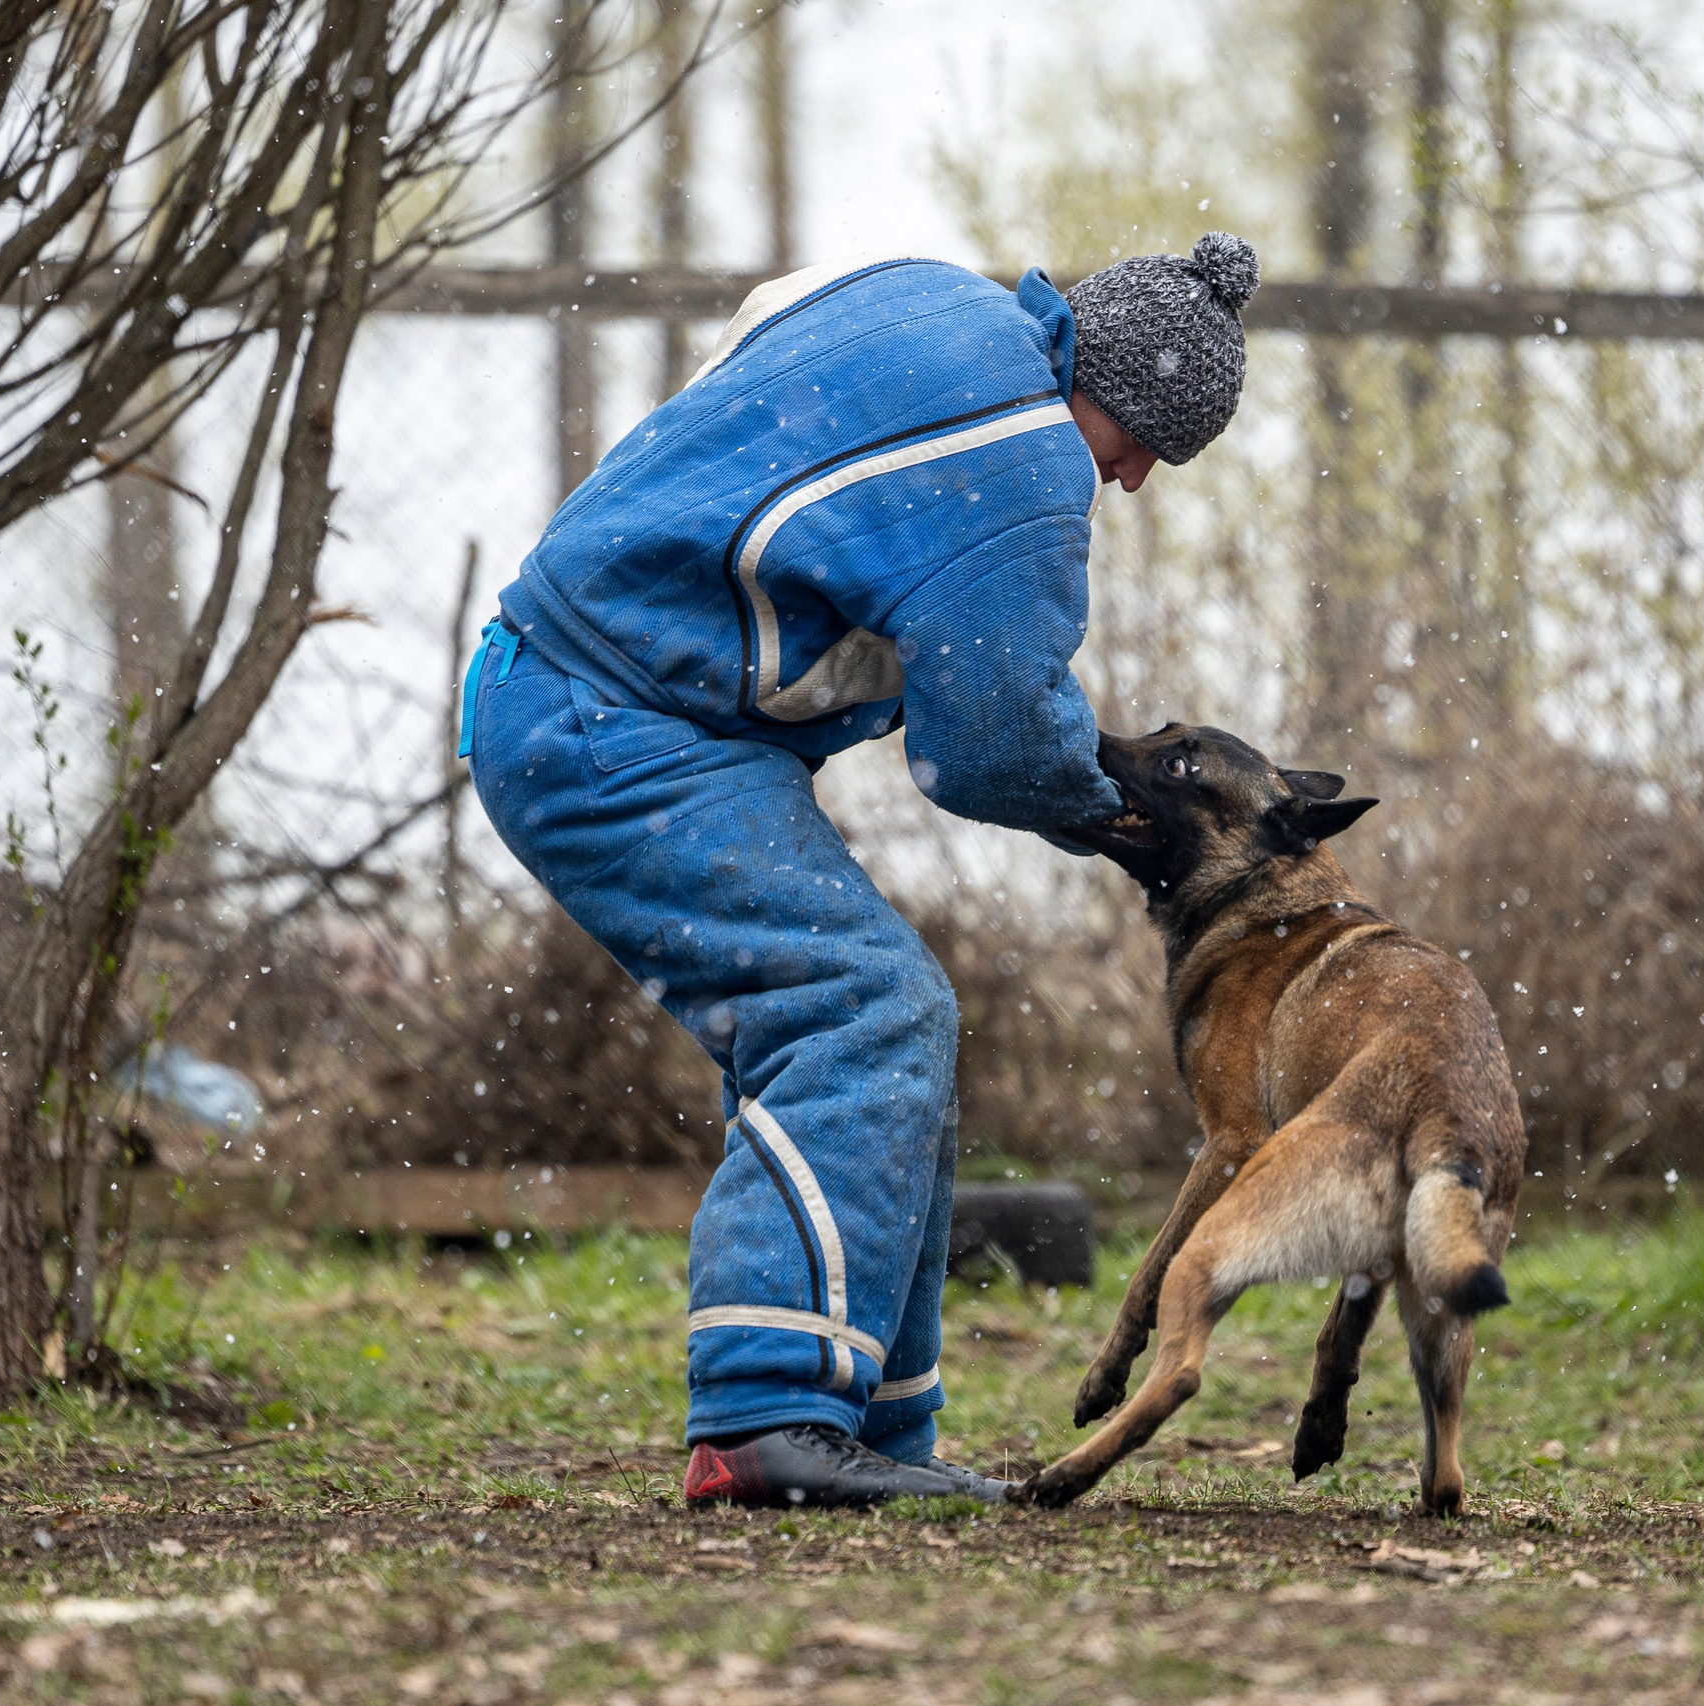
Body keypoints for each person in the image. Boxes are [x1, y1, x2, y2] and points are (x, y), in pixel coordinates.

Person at [459, 234, 1261, 1508]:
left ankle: (874, 1422)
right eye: (1147, 444)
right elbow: (991, 741)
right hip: (613, 722)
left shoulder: (920, 294)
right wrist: (1122, 818)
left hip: (579, 690)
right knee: (862, 1009)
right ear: (1107, 389)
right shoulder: (1025, 460)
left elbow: (760, 379)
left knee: (884, 1019)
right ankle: (765, 1425)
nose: (1138, 478)